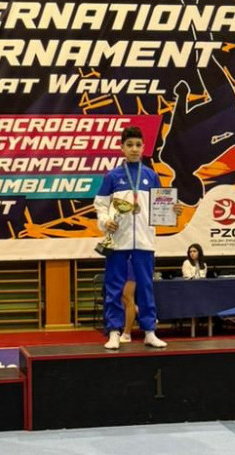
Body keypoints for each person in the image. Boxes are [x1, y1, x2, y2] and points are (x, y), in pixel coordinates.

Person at [95, 126, 181, 350]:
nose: (134, 149)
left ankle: (149, 332)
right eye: (130, 145)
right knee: (114, 287)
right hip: (117, 241)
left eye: (138, 145)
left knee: (146, 286)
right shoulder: (112, 176)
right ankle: (114, 332)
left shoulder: (151, 176)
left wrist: (173, 210)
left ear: (143, 148)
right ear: (122, 148)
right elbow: (100, 205)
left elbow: (161, 206)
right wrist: (105, 221)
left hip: (144, 241)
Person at [119, 257, 138, 343]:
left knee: (127, 297)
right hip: (121, 261)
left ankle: (127, 333)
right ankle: (139, 310)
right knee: (122, 298)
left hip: (131, 261)